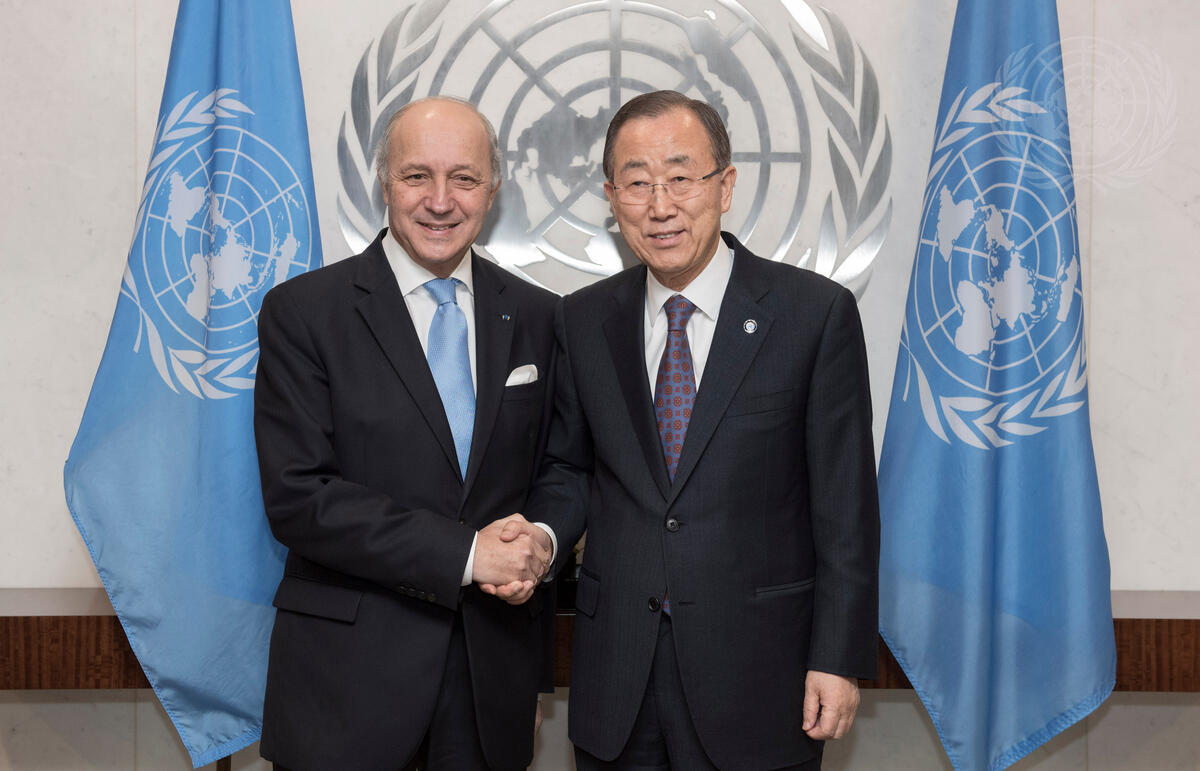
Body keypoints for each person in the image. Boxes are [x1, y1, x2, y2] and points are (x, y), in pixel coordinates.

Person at [521, 90, 880, 769]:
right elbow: (569, 469)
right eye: (636, 183)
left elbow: (846, 507)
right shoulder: (582, 320)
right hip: (617, 677)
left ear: (726, 185)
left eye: (681, 178)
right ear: (611, 197)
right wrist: (542, 536)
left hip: (762, 676)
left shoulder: (813, 315)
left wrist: (838, 657)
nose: (660, 206)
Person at [253, 97, 557, 770]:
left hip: (491, 689)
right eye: (417, 175)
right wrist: (468, 554)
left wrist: (539, 541)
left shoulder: (540, 316)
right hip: (344, 694)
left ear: (493, 189)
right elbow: (300, 497)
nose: (440, 201)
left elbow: (557, 471)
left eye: (464, 178)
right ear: (384, 183)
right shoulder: (303, 313)